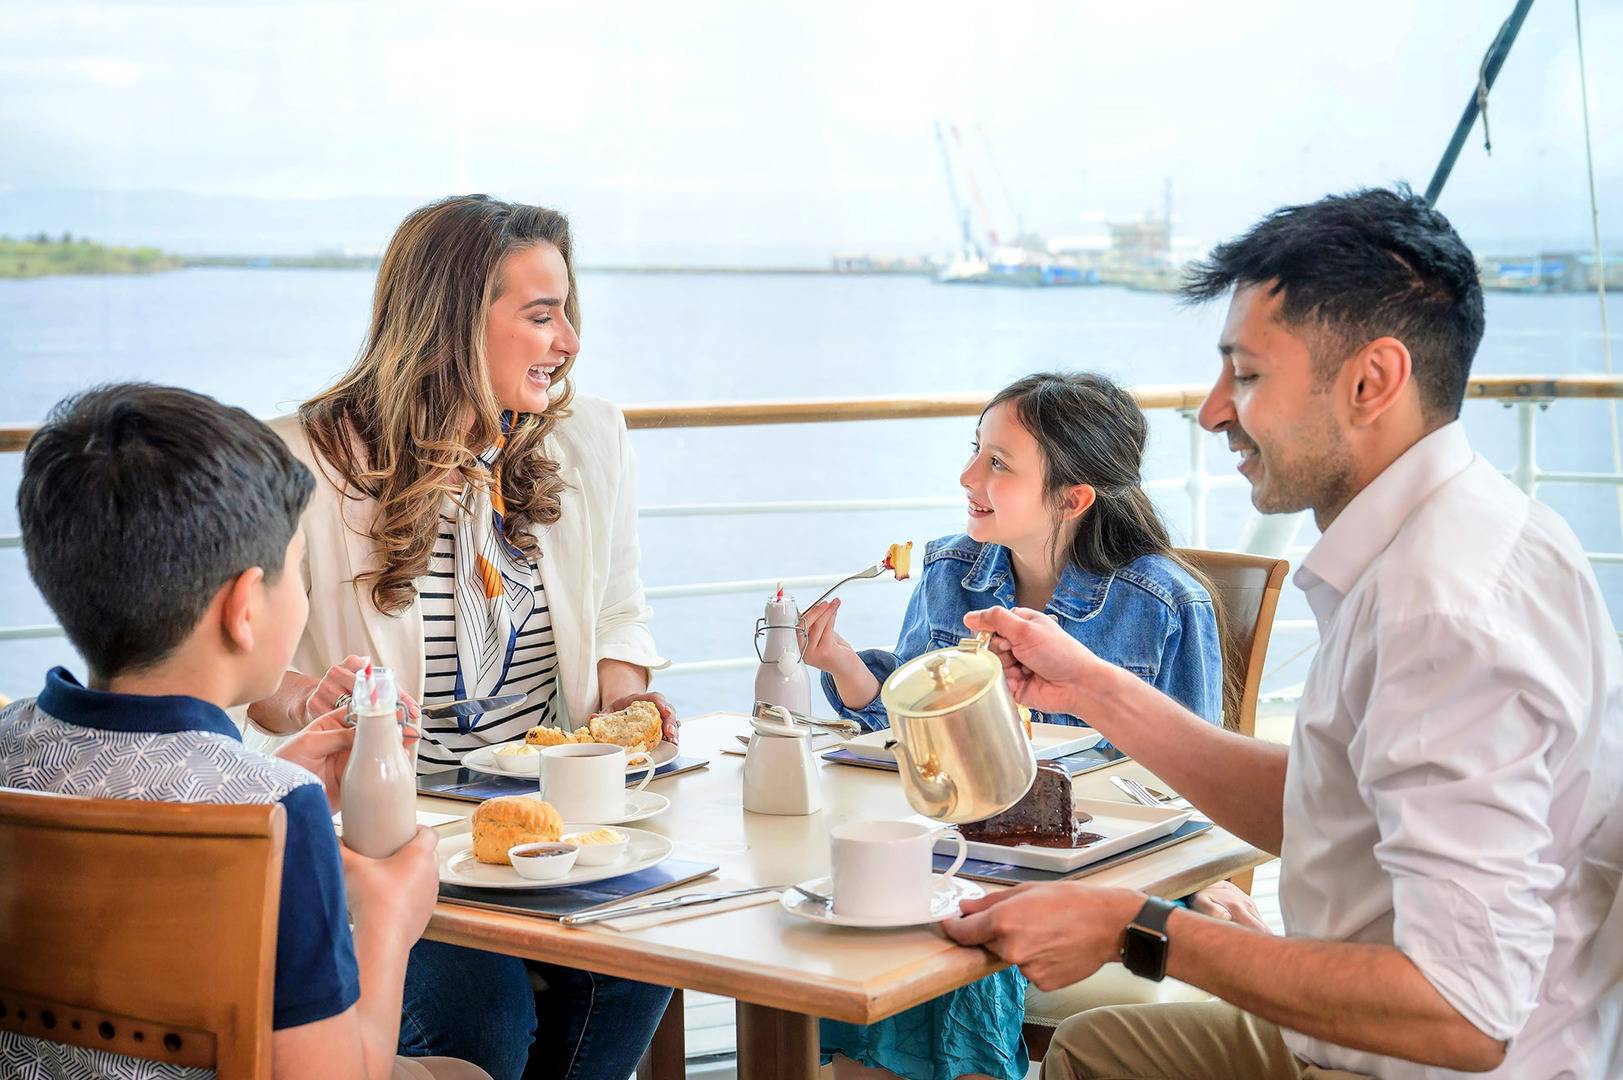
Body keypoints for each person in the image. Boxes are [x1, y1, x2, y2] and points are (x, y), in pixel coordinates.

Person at [944, 187, 1623, 1080]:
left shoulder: (1441, 611)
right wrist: (1092, 689)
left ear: (1371, 381)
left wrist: (1140, 930)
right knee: (1099, 1046)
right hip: (1432, 1034)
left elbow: (1461, 1012)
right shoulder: (1473, 529)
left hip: (1434, 1055)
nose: (1214, 410)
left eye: (1249, 376)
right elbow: (1330, 800)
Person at [239, 195, 675, 1079]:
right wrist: (306, 697)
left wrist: (626, 701)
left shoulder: (589, 438)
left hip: (556, 829)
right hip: (392, 843)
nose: (569, 341)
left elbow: (620, 607)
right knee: (482, 1012)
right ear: (450, 322)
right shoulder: (302, 463)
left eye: (567, 314)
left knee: (639, 968)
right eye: (541, 315)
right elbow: (249, 668)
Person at [0, 383, 487, 1079]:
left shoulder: (9, 745)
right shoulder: (276, 812)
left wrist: (276, 768)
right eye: (294, 574)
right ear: (242, 609)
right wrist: (387, 919)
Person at [801, 372, 1264, 1080]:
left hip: (1105, 866)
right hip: (957, 844)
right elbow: (908, 720)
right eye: (974, 450)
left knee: (947, 936)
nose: (966, 476)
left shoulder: (1162, 601)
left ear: (1073, 499)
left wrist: (1203, 881)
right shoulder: (950, 568)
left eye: (997, 463)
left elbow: (1190, 784)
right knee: (882, 913)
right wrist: (840, 662)